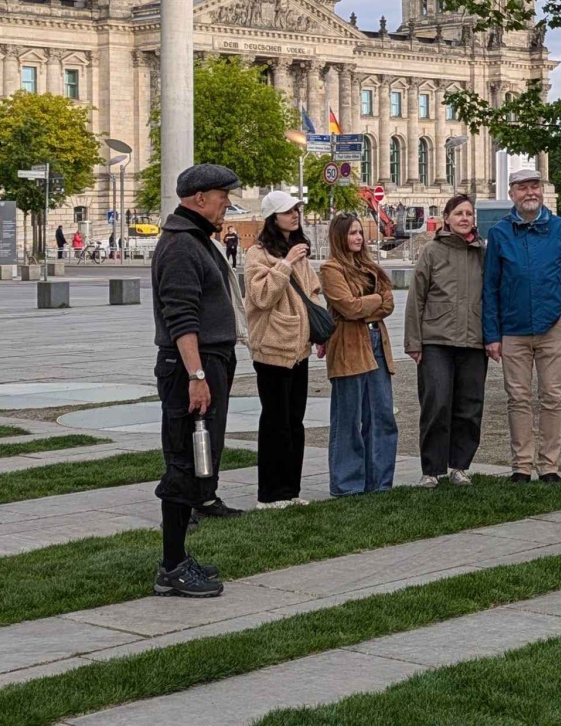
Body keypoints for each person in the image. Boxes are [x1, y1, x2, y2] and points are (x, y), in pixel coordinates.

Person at [151, 163, 247, 599]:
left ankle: (177, 560)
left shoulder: (196, 241)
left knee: (199, 456)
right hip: (191, 365)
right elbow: (181, 319)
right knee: (185, 461)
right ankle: (171, 567)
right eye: (222, 195)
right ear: (199, 198)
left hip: (207, 362)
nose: (228, 202)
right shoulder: (180, 247)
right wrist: (197, 375)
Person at [483, 167, 561, 483]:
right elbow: (490, 287)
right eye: (522, 188)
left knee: (552, 397)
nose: (530, 192)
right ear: (512, 194)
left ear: (541, 192)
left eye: (534, 186)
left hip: (551, 328)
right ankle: (521, 465)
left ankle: (549, 465)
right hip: (513, 330)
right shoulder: (501, 234)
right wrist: (492, 334)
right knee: (517, 398)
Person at [244, 191, 322, 510]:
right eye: (288, 211)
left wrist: (319, 331)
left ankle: (290, 490)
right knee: (274, 422)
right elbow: (262, 296)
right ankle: (269, 494)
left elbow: (312, 292)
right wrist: (285, 265)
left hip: (299, 348)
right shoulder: (257, 254)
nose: (295, 215)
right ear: (273, 218)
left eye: (297, 210)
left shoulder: (299, 251)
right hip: (272, 349)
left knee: (294, 422)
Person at [404, 194, 487, 488]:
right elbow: (416, 298)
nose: (465, 218)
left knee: (469, 406)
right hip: (436, 340)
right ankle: (431, 469)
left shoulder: (481, 252)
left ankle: (460, 466)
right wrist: (413, 341)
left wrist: (492, 337)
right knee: (436, 403)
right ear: (447, 218)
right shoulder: (431, 251)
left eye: (469, 213)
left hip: (474, 341)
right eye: (459, 213)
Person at [320, 212, 398, 496]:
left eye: (359, 233)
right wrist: (375, 300)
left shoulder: (370, 266)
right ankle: (347, 484)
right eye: (351, 233)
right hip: (349, 346)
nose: (357, 238)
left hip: (376, 340)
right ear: (340, 237)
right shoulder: (331, 268)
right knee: (349, 418)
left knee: (381, 415)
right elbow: (348, 307)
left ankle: (379, 482)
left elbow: (388, 305)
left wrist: (369, 304)